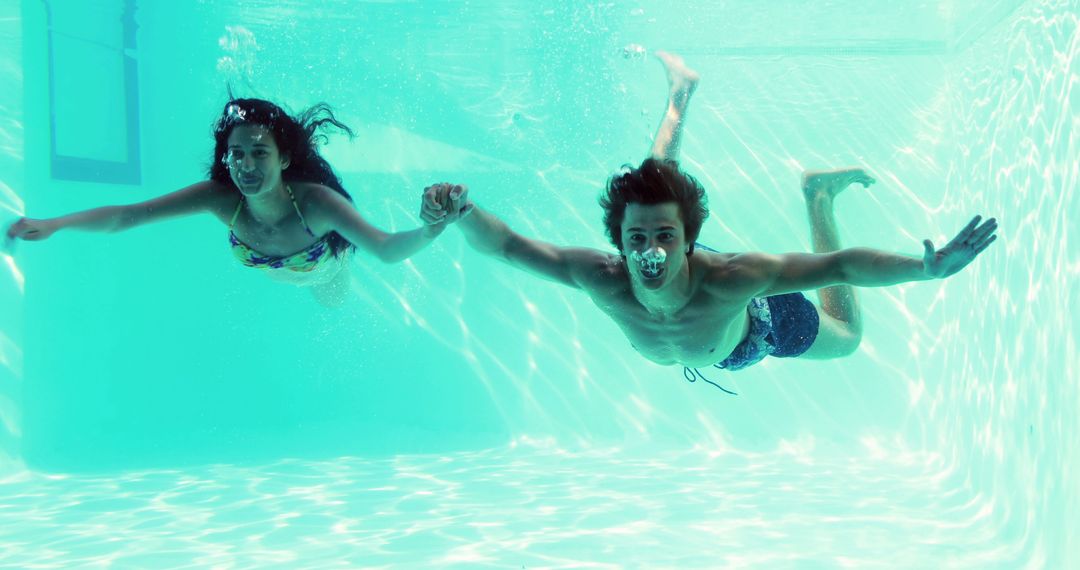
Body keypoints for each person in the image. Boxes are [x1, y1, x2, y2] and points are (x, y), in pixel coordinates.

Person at [420, 52, 997, 390]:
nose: (649, 251)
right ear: (616, 243)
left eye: (666, 238)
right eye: (635, 238)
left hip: (753, 333)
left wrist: (925, 270)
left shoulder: (734, 280)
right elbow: (506, 247)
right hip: (690, 297)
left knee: (845, 339)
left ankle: (818, 198)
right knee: (657, 187)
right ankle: (680, 95)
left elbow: (841, 265)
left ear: (691, 242)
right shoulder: (602, 275)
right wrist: (463, 212)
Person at [6, 99, 462, 306]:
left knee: (332, 304)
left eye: (259, 153)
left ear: (284, 158)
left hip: (324, 273)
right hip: (273, 273)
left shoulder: (317, 205)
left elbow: (384, 249)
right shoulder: (222, 200)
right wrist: (55, 224)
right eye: (237, 154)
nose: (245, 166)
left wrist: (432, 229)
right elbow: (130, 216)